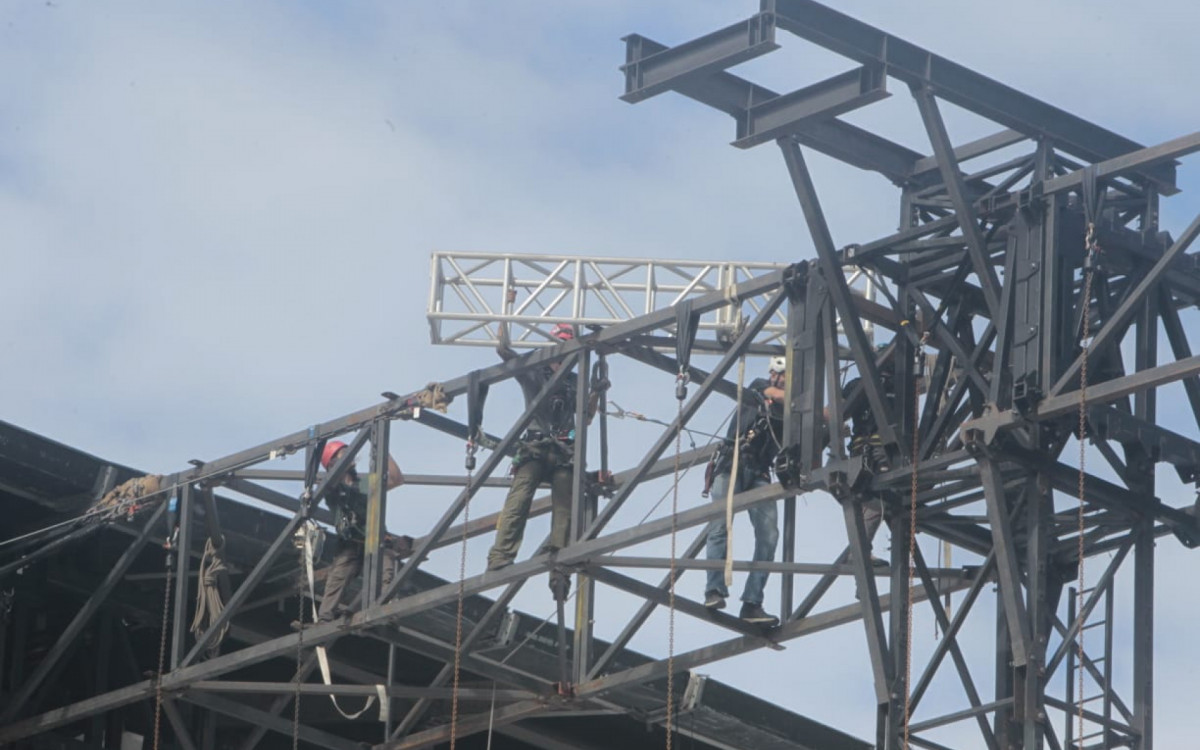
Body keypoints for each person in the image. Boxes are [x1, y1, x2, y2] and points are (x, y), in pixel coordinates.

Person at [486, 323, 604, 572]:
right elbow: (504, 351)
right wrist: (504, 316)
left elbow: (587, 417)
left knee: (566, 504)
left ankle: (560, 557)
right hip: (536, 447)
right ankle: (501, 555)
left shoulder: (575, 380)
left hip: (564, 450)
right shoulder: (534, 373)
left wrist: (595, 391)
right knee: (519, 498)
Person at [702, 356, 787, 626]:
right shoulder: (759, 386)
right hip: (732, 466)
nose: (782, 380)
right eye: (780, 375)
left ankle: (752, 603)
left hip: (759, 472)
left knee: (769, 537)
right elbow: (770, 392)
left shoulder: (793, 413)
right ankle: (714, 589)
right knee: (719, 526)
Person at [316, 439, 408, 622]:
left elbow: (397, 479)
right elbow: (328, 487)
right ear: (333, 463)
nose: (350, 456)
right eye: (344, 454)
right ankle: (324, 619)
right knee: (337, 579)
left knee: (385, 575)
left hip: (376, 540)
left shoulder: (365, 483)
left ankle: (385, 613)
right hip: (350, 543)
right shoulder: (331, 488)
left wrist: (383, 451)